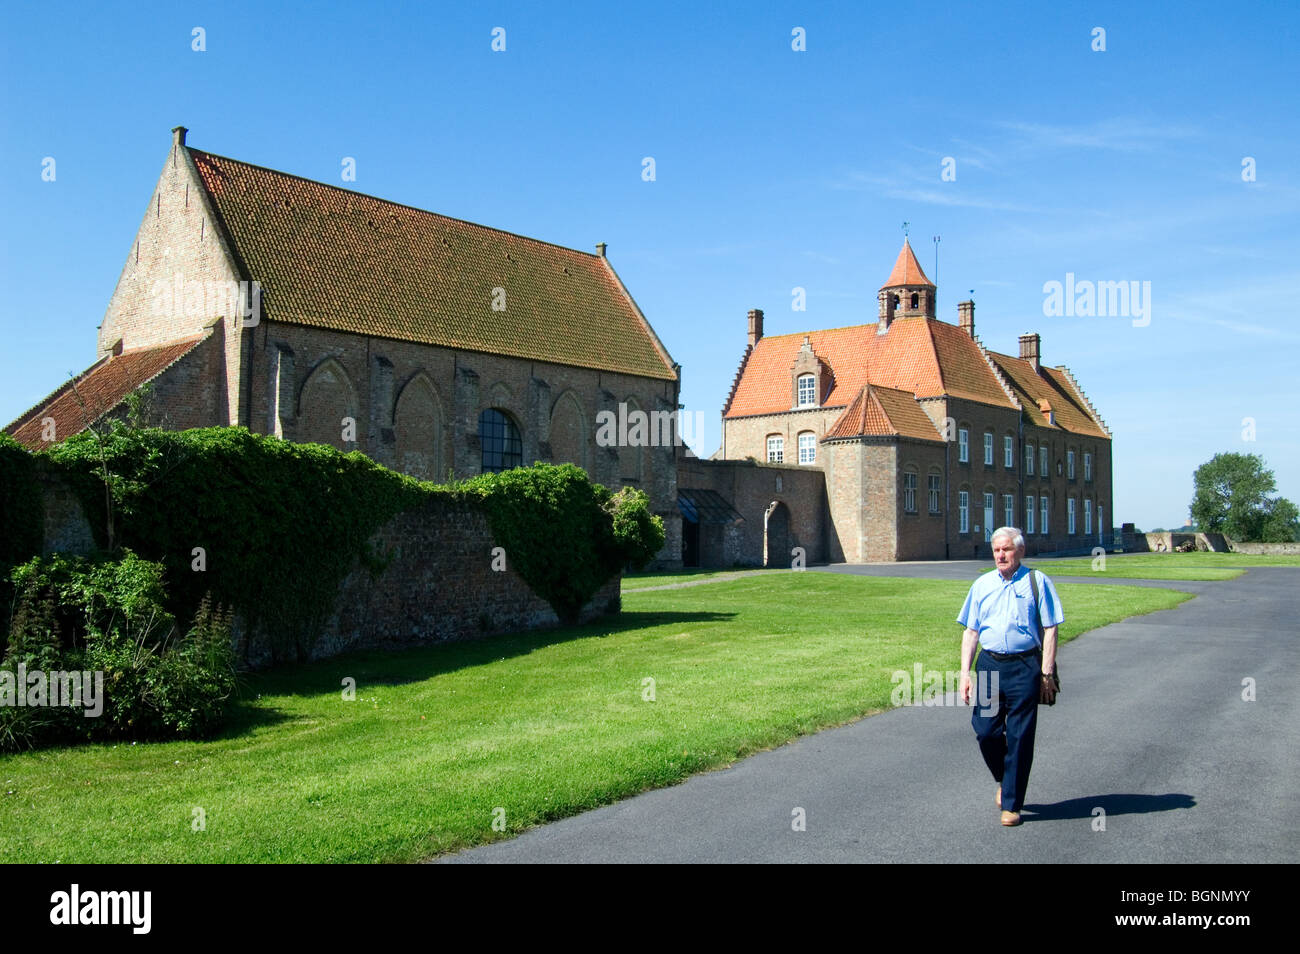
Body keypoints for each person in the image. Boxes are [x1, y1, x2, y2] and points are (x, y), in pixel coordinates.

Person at [957, 527, 1064, 826]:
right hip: (990, 664)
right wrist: (965, 673)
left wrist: (1046, 673)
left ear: (1020, 551)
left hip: (1025, 667)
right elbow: (971, 630)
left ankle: (1012, 804)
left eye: (1006, 549)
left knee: (1019, 736)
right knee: (985, 730)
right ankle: (1005, 778)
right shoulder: (981, 585)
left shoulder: (1038, 582)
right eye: (996, 550)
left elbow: (1051, 628)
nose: (1001, 555)